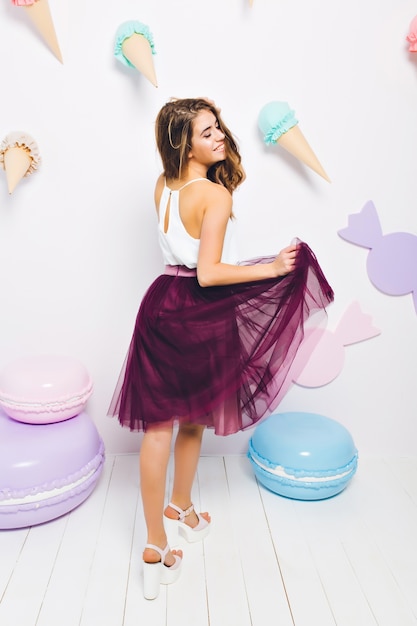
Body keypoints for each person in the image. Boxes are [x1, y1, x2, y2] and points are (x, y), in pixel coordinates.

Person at [108, 97, 333, 600]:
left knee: (173, 422)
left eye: (218, 128)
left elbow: (186, 260)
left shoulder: (163, 186)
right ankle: (160, 538)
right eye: (206, 132)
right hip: (199, 310)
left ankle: (172, 516)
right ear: (181, 143)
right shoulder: (213, 194)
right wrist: (272, 269)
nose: (220, 137)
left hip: (162, 300)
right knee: (180, 421)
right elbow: (209, 274)